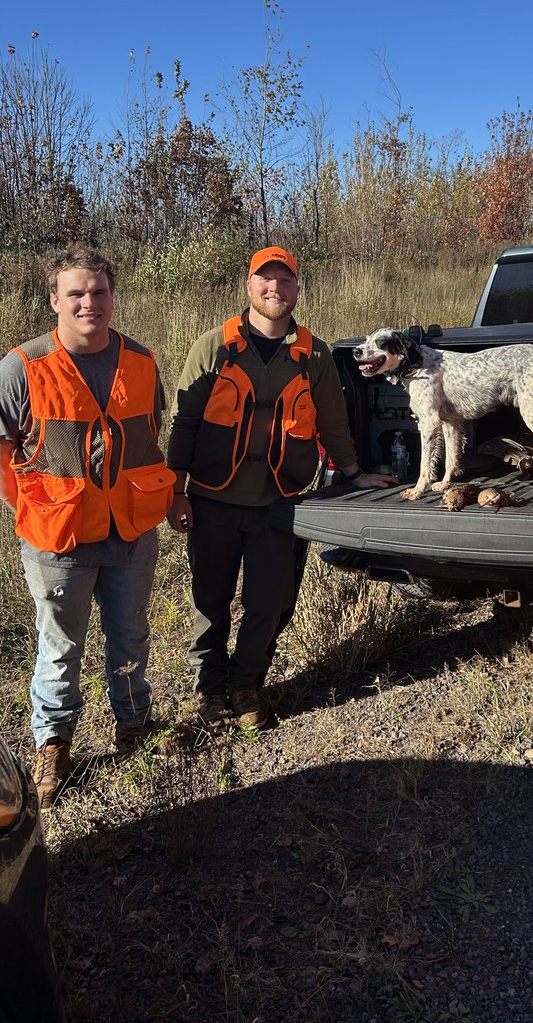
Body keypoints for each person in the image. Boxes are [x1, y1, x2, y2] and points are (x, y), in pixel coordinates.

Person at [166, 246, 395, 729]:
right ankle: (209, 691)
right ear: (249, 286)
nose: (275, 289)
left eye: (285, 281)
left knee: (271, 602)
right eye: (265, 280)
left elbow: (333, 422)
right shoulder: (213, 346)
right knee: (210, 600)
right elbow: (183, 424)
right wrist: (176, 489)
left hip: (279, 500)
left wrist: (354, 473)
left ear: (296, 289)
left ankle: (247, 684)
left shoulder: (313, 353)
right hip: (212, 497)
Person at [0, 247, 173, 807]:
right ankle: (54, 743)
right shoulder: (21, 367)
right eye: (76, 293)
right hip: (57, 539)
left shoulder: (142, 361)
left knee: (131, 634)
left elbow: (147, 435)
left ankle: (133, 724)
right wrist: (34, 512)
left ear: (112, 297)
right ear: (54, 301)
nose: (89, 302)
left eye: (99, 292)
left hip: (130, 531)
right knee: (59, 646)